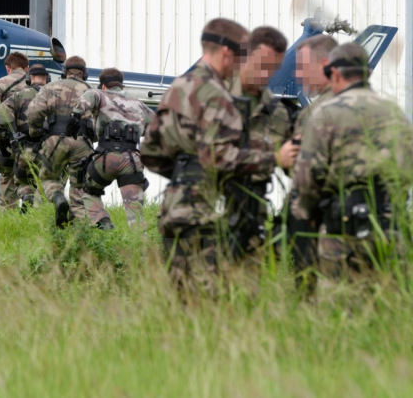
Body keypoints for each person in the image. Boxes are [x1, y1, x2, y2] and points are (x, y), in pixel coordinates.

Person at [139, 18, 279, 289]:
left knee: (182, 298)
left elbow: (149, 151)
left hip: (175, 208)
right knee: (211, 301)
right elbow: (220, 157)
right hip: (205, 213)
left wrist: (184, 171)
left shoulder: (179, 87)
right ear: (227, 52)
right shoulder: (216, 94)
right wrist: (274, 158)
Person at [289, 43, 413, 283]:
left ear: (334, 74)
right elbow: (408, 170)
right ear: (369, 73)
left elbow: (307, 179)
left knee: (339, 306)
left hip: (341, 235)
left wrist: (305, 215)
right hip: (389, 229)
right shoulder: (394, 113)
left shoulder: (325, 113)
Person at [226, 26, 299, 257]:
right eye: (262, 65)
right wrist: (273, 158)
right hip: (201, 212)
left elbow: (293, 167)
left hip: (251, 214)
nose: (266, 74)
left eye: (273, 68)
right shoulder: (209, 97)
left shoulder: (278, 112)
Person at [71, 68, 155, 230]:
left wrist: (75, 115)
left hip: (106, 158)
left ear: (103, 85)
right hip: (132, 161)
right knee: (134, 209)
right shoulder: (139, 104)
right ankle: (140, 246)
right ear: (121, 85)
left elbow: (88, 97)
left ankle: (102, 221)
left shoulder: (99, 94)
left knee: (89, 192)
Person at [286, 33, 338, 275]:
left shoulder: (314, 115)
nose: (299, 75)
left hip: (325, 226)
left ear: (325, 65)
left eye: (303, 67)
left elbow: (300, 173)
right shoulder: (383, 110)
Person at [28, 55, 93, 227]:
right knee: (79, 188)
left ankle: (58, 198)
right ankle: (78, 231)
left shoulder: (50, 87)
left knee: (48, 178)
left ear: (64, 72)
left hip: (54, 141)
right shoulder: (92, 92)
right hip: (82, 142)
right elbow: (100, 122)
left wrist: (35, 132)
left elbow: (34, 112)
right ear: (84, 74)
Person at [0, 63, 50, 212]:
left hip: (22, 149)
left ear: (29, 78)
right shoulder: (54, 97)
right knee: (47, 183)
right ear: (47, 79)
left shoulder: (18, 96)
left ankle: (15, 207)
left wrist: (6, 137)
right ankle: (38, 216)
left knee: (19, 181)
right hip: (49, 149)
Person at [0, 52, 30, 210]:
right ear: (26, 68)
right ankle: (34, 218)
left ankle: (8, 218)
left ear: (8, 68)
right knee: (32, 178)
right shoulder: (34, 85)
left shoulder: (0, 83)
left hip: (7, 141)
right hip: (33, 141)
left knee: (7, 177)